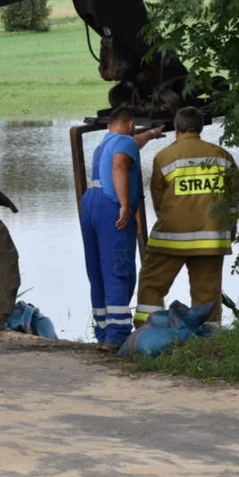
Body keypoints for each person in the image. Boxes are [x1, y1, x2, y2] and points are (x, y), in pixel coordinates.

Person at [135, 106, 239, 330]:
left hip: (170, 239)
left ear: (176, 128)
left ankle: (147, 333)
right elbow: (233, 200)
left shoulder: (164, 157)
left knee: (151, 284)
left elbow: (158, 201)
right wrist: (229, 229)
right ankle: (209, 340)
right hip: (211, 239)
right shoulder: (222, 156)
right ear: (201, 127)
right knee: (207, 292)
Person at [79, 106, 164, 348]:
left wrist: (151, 134)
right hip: (110, 207)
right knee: (118, 268)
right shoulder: (123, 144)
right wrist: (126, 204)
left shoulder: (104, 143)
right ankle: (117, 336)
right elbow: (119, 166)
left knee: (97, 273)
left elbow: (132, 144)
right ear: (129, 124)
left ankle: (103, 332)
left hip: (91, 205)